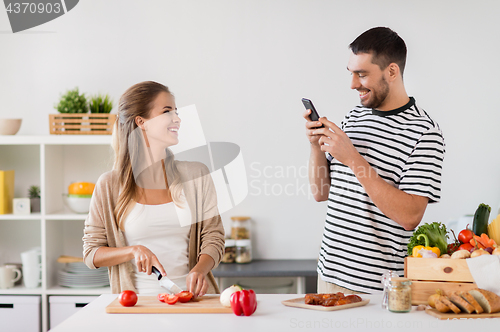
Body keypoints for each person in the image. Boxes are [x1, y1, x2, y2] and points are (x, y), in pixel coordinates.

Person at [304, 27, 445, 294]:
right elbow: (320, 193)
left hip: (377, 288)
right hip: (329, 276)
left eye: (362, 74)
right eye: (351, 73)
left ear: (392, 72)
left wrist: (353, 159)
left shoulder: (425, 132)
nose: (353, 84)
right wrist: (315, 147)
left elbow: (410, 216)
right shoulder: (355, 116)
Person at [83, 81, 225, 297]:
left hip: (194, 302)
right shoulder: (109, 186)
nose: (177, 118)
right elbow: (91, 253)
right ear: (142, 122)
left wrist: (200, 269)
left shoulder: (196, 175)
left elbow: (214, 237)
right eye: (167, 111)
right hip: (136, 305)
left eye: (176, 112)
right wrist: (133, 250)